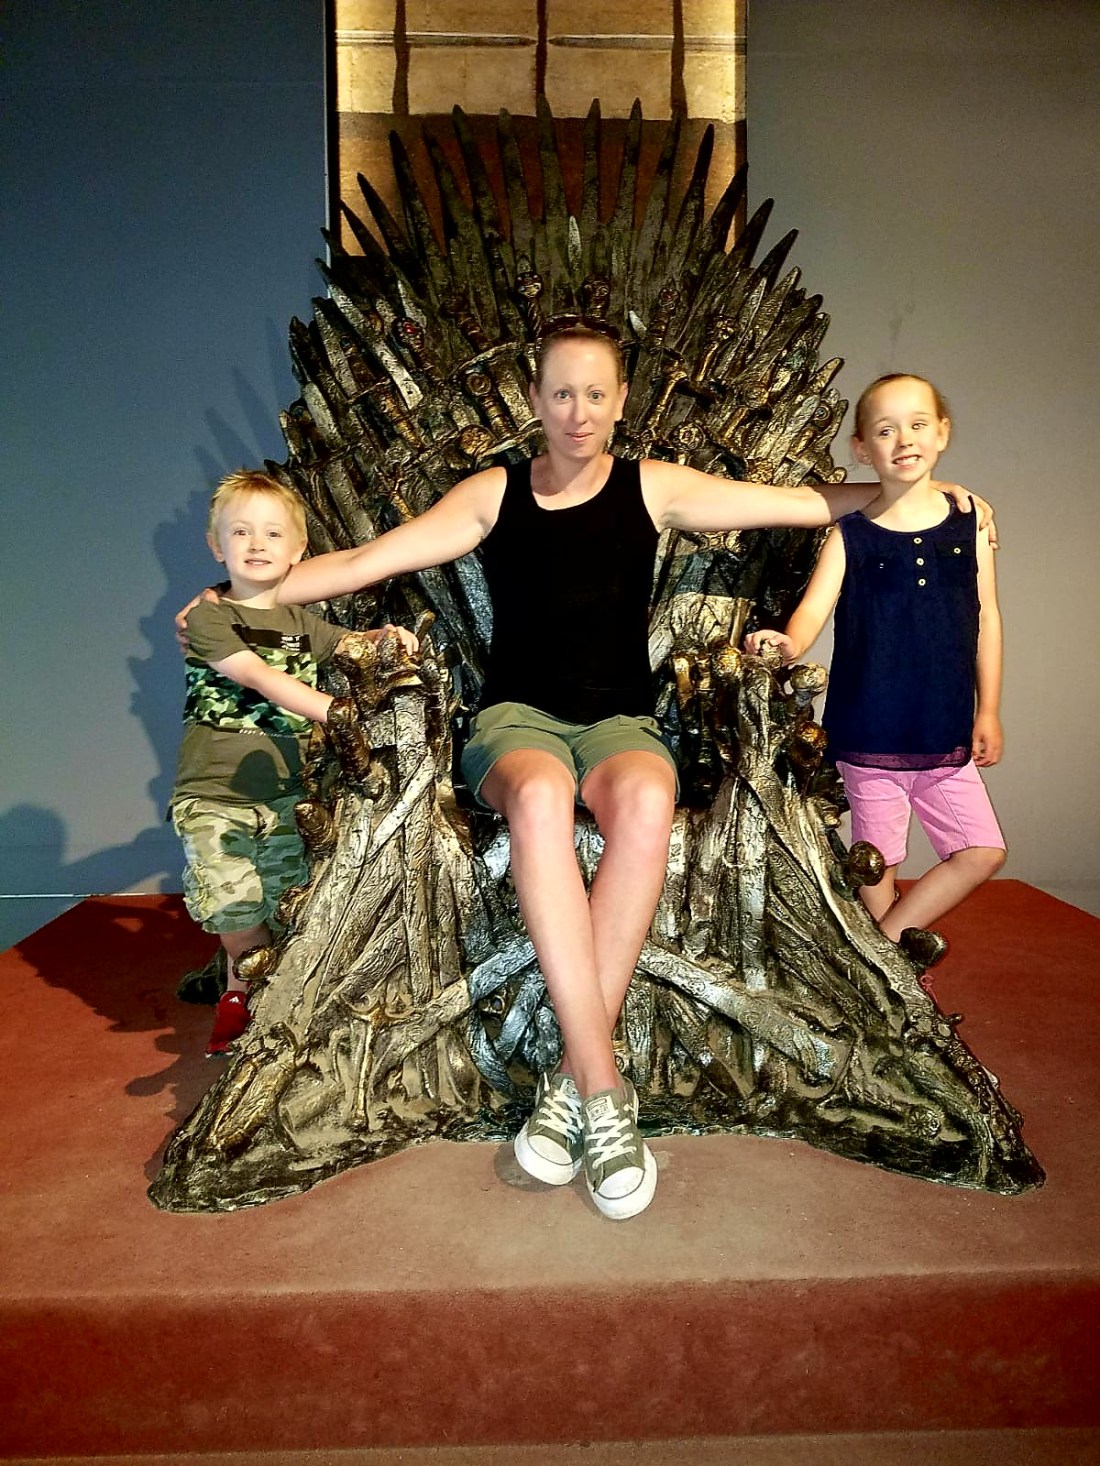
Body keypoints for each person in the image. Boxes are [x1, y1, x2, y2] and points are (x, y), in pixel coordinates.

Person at [178, 331, 993, 1217]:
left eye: (596, 394)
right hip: (514, 722)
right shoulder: (493, 494)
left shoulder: (653, 487)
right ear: (535, 400)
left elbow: (792, 504)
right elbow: (367, 561)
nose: (579, 412)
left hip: (620, 722)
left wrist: (914, 496)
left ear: (620, 400)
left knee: (647, 797)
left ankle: (571, 1084)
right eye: (562, 394)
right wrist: (239, 602)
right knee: (538, 796)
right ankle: (604, 1090)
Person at [746, 373, 1005, 965]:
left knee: (982, 850)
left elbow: (988, 617)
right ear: (862, 448)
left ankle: (879, 961)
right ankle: (891, 978)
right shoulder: (850, 536)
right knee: (875, 863)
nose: (904, 439)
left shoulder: (970, 524)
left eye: (918, 424)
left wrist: (988, 708)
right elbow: (813, 611)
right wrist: (787, 643)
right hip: (868, 731)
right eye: (886, 430)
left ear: (942, 433)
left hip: (943, 729)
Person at [170, 470, 415, 1058]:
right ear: (216, 546)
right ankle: (239, 985)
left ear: (299, 548)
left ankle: (260, 994)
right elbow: (257, 675)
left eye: (273, 533)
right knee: (232, 901)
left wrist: (389, 639)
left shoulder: (303, 624)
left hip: (283, 795)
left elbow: (351, 644)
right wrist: (330, 710)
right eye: (241, 532)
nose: (257, 544)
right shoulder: (209, 618)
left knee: (283, 900)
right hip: (213, 794)